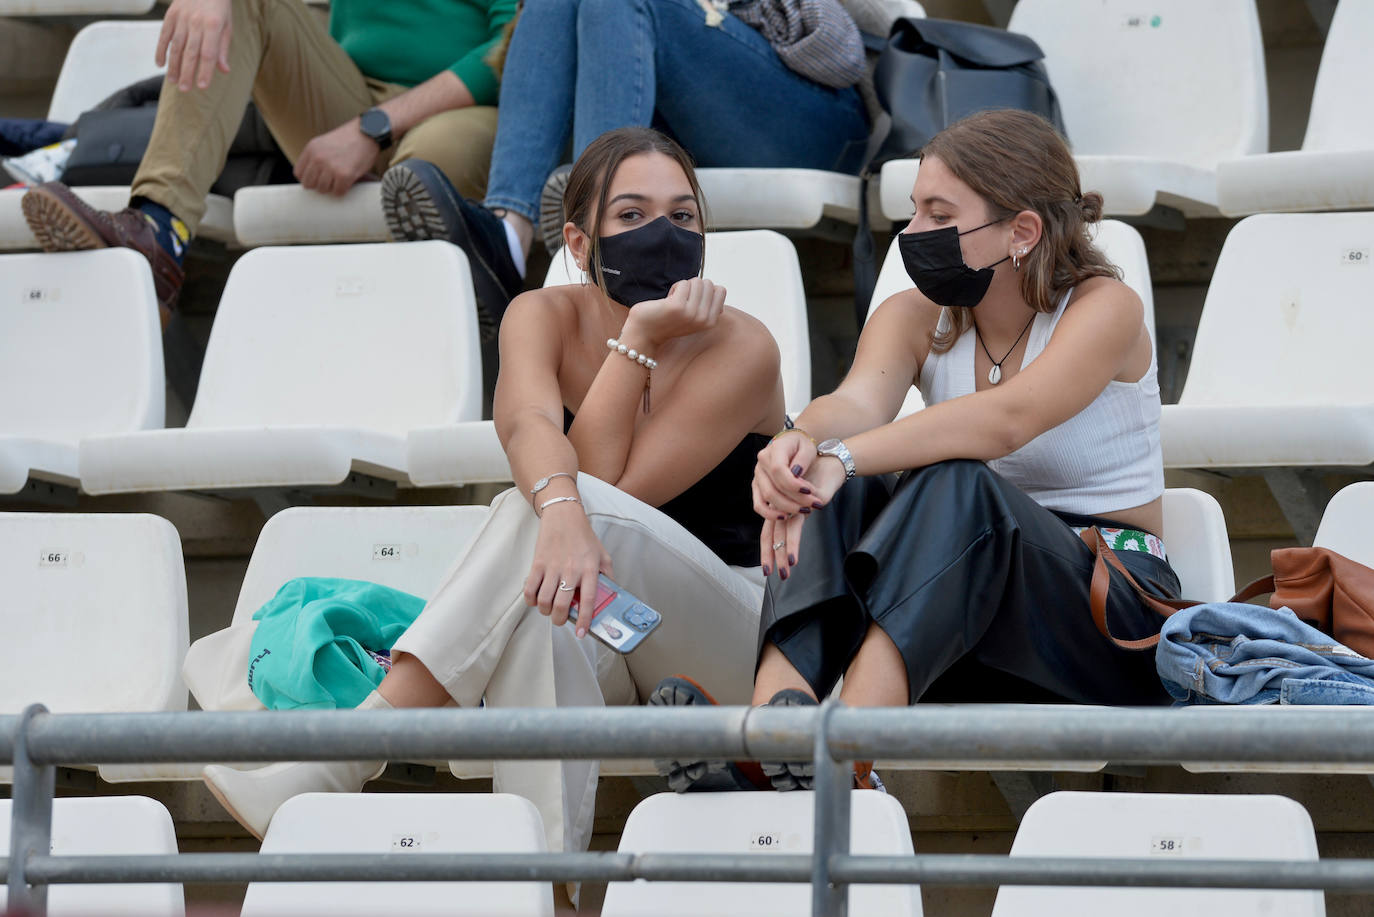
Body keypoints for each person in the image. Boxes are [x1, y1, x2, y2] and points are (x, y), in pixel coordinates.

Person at [200, 127, 786, 858]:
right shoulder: (539, 315)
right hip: (611, 623)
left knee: (540, 507)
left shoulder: (744, 346)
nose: (663, 234)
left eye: (683, 216)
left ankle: (352, 744)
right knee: (540, 615)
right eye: (632, 216)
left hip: (734, 637)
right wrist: (561, 506)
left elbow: (606, 490)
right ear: (579, 241)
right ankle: (545, 884)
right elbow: (527, 424)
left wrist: (638, 336)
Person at [654, 108, 1182, 791]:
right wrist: (797, 444)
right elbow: (852, 405)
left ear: (1021, 231)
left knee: (953, 480)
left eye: (939, 215)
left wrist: (841, 455)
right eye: (913, 212)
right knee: (830, 484)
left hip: (1113, 619)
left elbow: (1007, 420)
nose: (913, 235)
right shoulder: (915, 315)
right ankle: (771, 734)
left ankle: (846, 758)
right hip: (970, 621)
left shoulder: (1103, 307)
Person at [376, 0, 872, 337]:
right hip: (686, 110)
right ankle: (510, 237)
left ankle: (602, 242)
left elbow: (842, 51)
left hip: (816, 116)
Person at [21, 0, 516, 324]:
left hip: (463, 106)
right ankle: (159, 231)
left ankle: (435, 328)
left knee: (429, 167)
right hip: (347, 98)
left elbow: (512, 47)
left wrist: (378, 125)